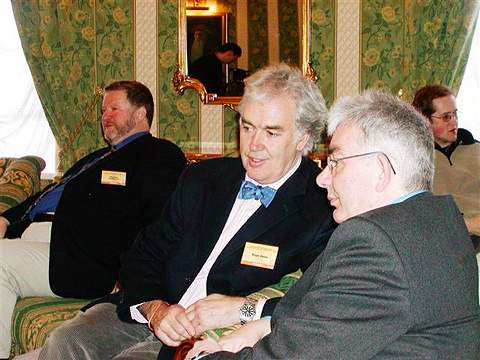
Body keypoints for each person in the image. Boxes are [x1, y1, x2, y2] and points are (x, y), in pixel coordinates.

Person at [32, 63, 335, 360]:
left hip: (209, 335)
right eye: (247, 127)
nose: (253, 145)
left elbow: (321, 298)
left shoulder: (321, 206)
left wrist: (241, 308)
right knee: (66, 340)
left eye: (271, 132)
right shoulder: (204, 178)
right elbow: (144, 251)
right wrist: (155, 308)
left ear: (303, 139)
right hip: (150, 309)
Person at [191, 90, 480, 359]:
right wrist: (264, 323)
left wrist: (207, 356)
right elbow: (326, 317)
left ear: (380, 170)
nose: (321, 178)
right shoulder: (439, 219)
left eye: (336, 162)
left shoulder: (375, 242)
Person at [0, 80, 186, 360]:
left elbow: (155, 219)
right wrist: (6, 219)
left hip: (84, 259)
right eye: (103, 110)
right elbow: (49, 193)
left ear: (140, 114)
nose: (105, 117)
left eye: (114, 108)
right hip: (44, 236)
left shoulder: (159, 154)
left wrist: (128, 272)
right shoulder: (98, 157)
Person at [412, 84, 480, 242]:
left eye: (455, 114)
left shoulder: (476, 149)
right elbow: (415, 215)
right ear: (425, 120)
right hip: (441, 240)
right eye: (446, 117)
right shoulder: (414, 160)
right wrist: (467, 225)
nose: (454, 121)